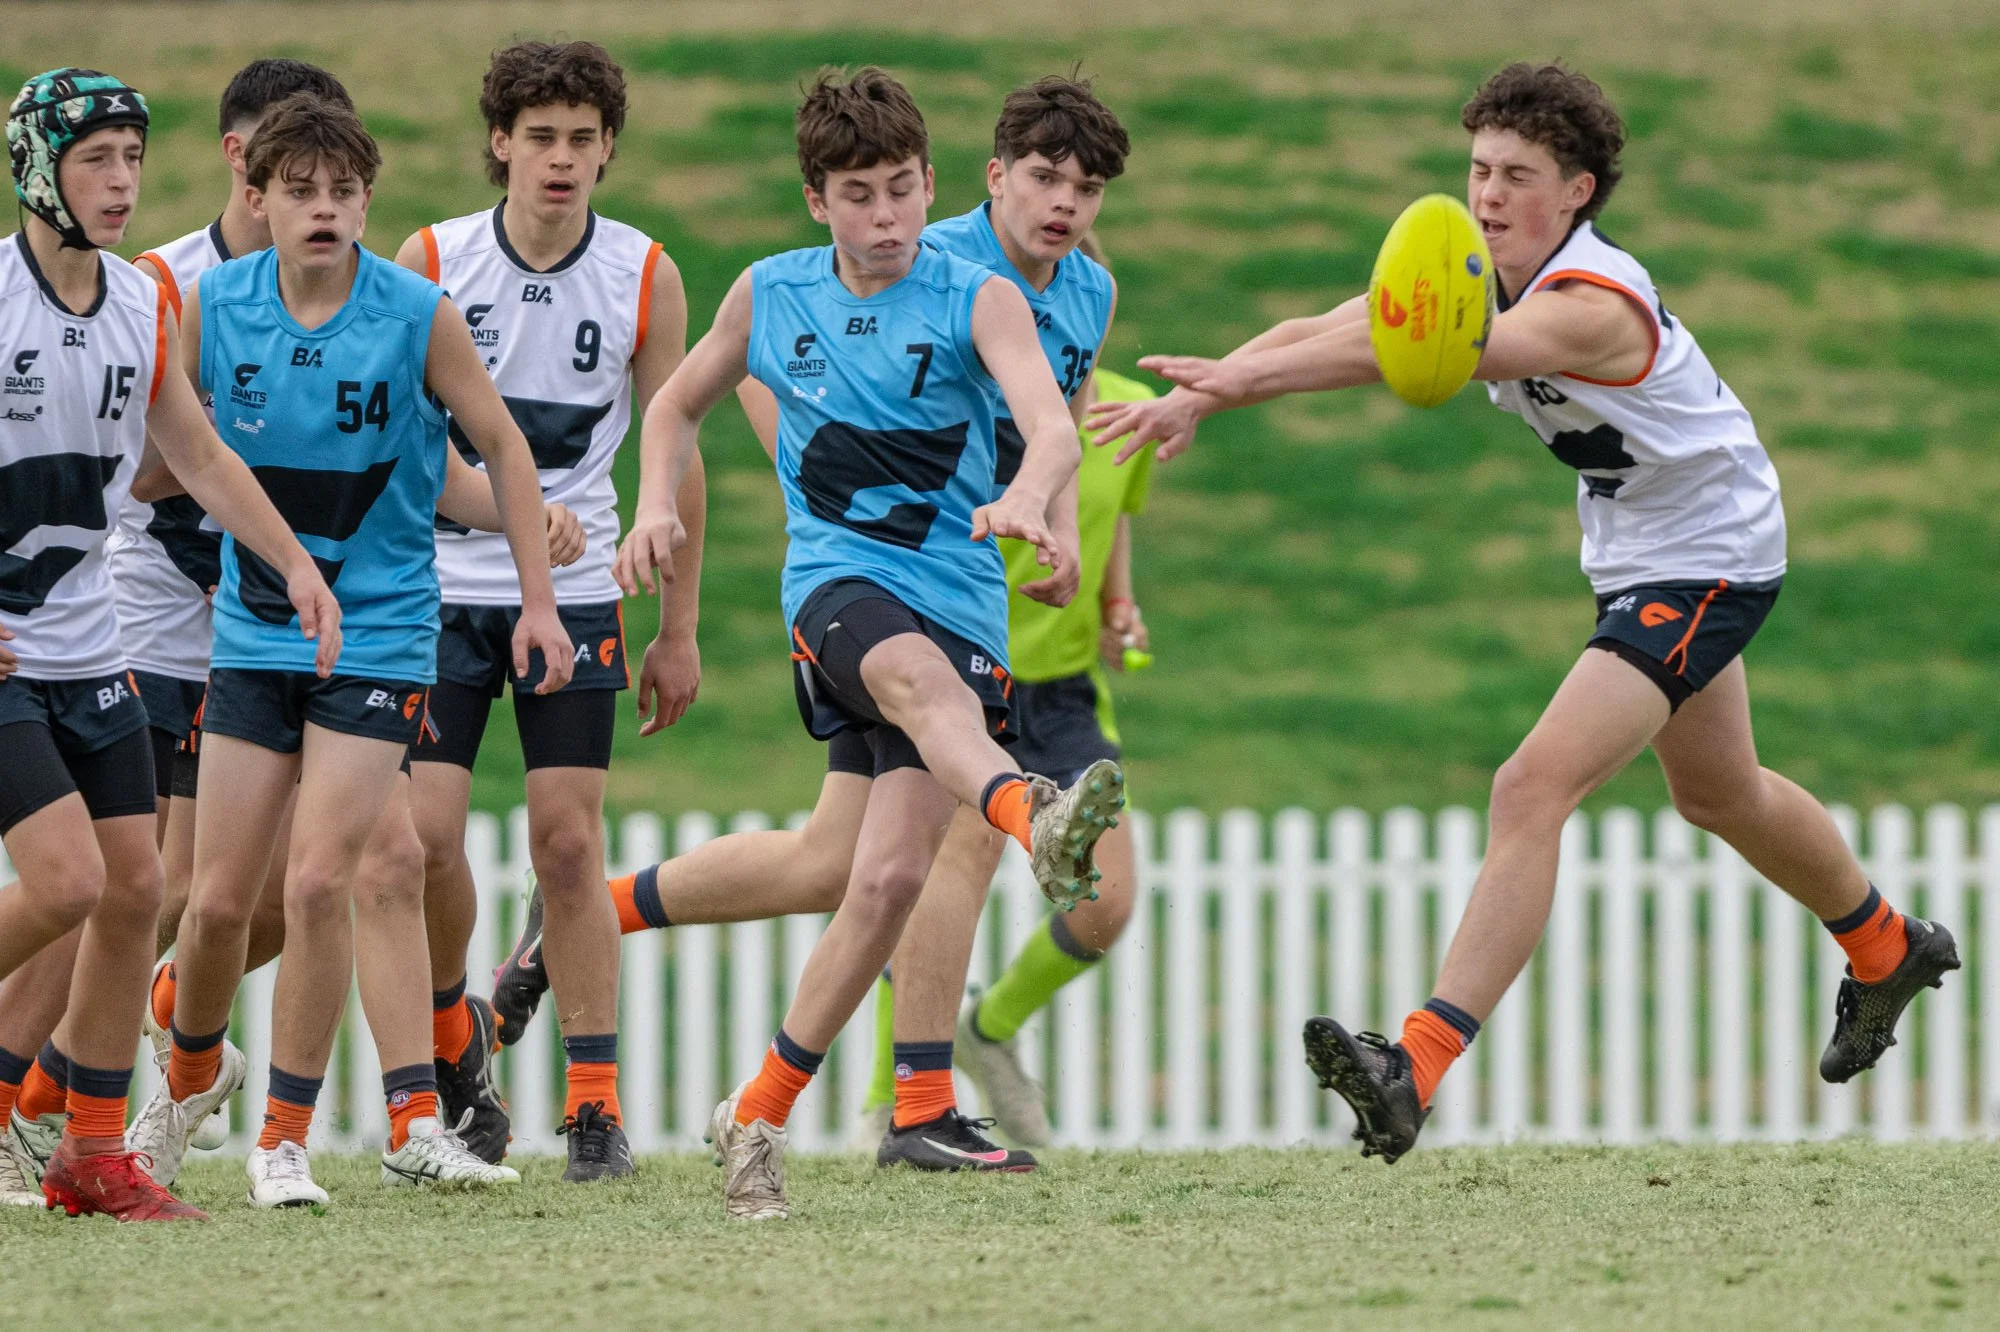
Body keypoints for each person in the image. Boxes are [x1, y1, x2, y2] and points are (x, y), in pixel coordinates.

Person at [1088, 61, 1958, 1164]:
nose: (1488, 195)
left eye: (1516, 176)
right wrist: (1197, 395)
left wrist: (1236, 386)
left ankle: (1412, 1067)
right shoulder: (1484, 272)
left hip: (1710, 560)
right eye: (1478, 170)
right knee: (1719, 794)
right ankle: (1886, 947)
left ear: (1577, 192)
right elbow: (1336, 317)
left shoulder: (1590, 306)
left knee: (1529, 787)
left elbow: (1425, 352)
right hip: (1640, 555)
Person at [497, 75, 1137, 1167]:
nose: (1064, 204)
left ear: (925, 180)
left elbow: (1057, 422)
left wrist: (1052, 517)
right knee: (960, 810)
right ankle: (927, 1086)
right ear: (989, 180)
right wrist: (799, 503)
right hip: (853, 587)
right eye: (1044, 178)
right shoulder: (875, 269)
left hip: (974, 585)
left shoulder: (1059, 294)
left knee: (849, 871)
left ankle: (603, 938)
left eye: (1086, 188)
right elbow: (738, 383)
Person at [130, 91, 567, 1206]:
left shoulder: (417, 315)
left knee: (324, 877)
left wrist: (538, 602)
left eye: (343, 191)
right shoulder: (209, 308)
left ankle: (284, 1141)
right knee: (216, 907)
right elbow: (152, 460)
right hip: (253, 635)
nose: (323, 209)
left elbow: (504, 449)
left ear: (368, 201)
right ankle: (189, 1080)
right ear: (257, 199)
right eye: (300, 192)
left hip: (379, 638)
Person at [0, 56, 356, 1207]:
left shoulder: (144, 303)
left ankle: (94, 1155)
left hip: (91, 649)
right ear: (36, 170)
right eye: (96, 160)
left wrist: (293, 564)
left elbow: (198, 456)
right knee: (67, 883)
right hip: (7, 655)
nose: (121, 182)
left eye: (134, 159)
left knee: (132, 890)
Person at [395, 39, 701, 1180]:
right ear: (500, 142)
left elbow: (676, 452)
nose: (561, 159)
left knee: (568, 844)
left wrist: (678, 627)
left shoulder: (643, 272)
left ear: (608, 147)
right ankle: (454, 1044)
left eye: (581, 138)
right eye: (539, 138)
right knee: (424, 840)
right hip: (440, 590)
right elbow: (403, 451)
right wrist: (507, 515)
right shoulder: (431, 259)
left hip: (575, 599)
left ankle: (593, 1107)